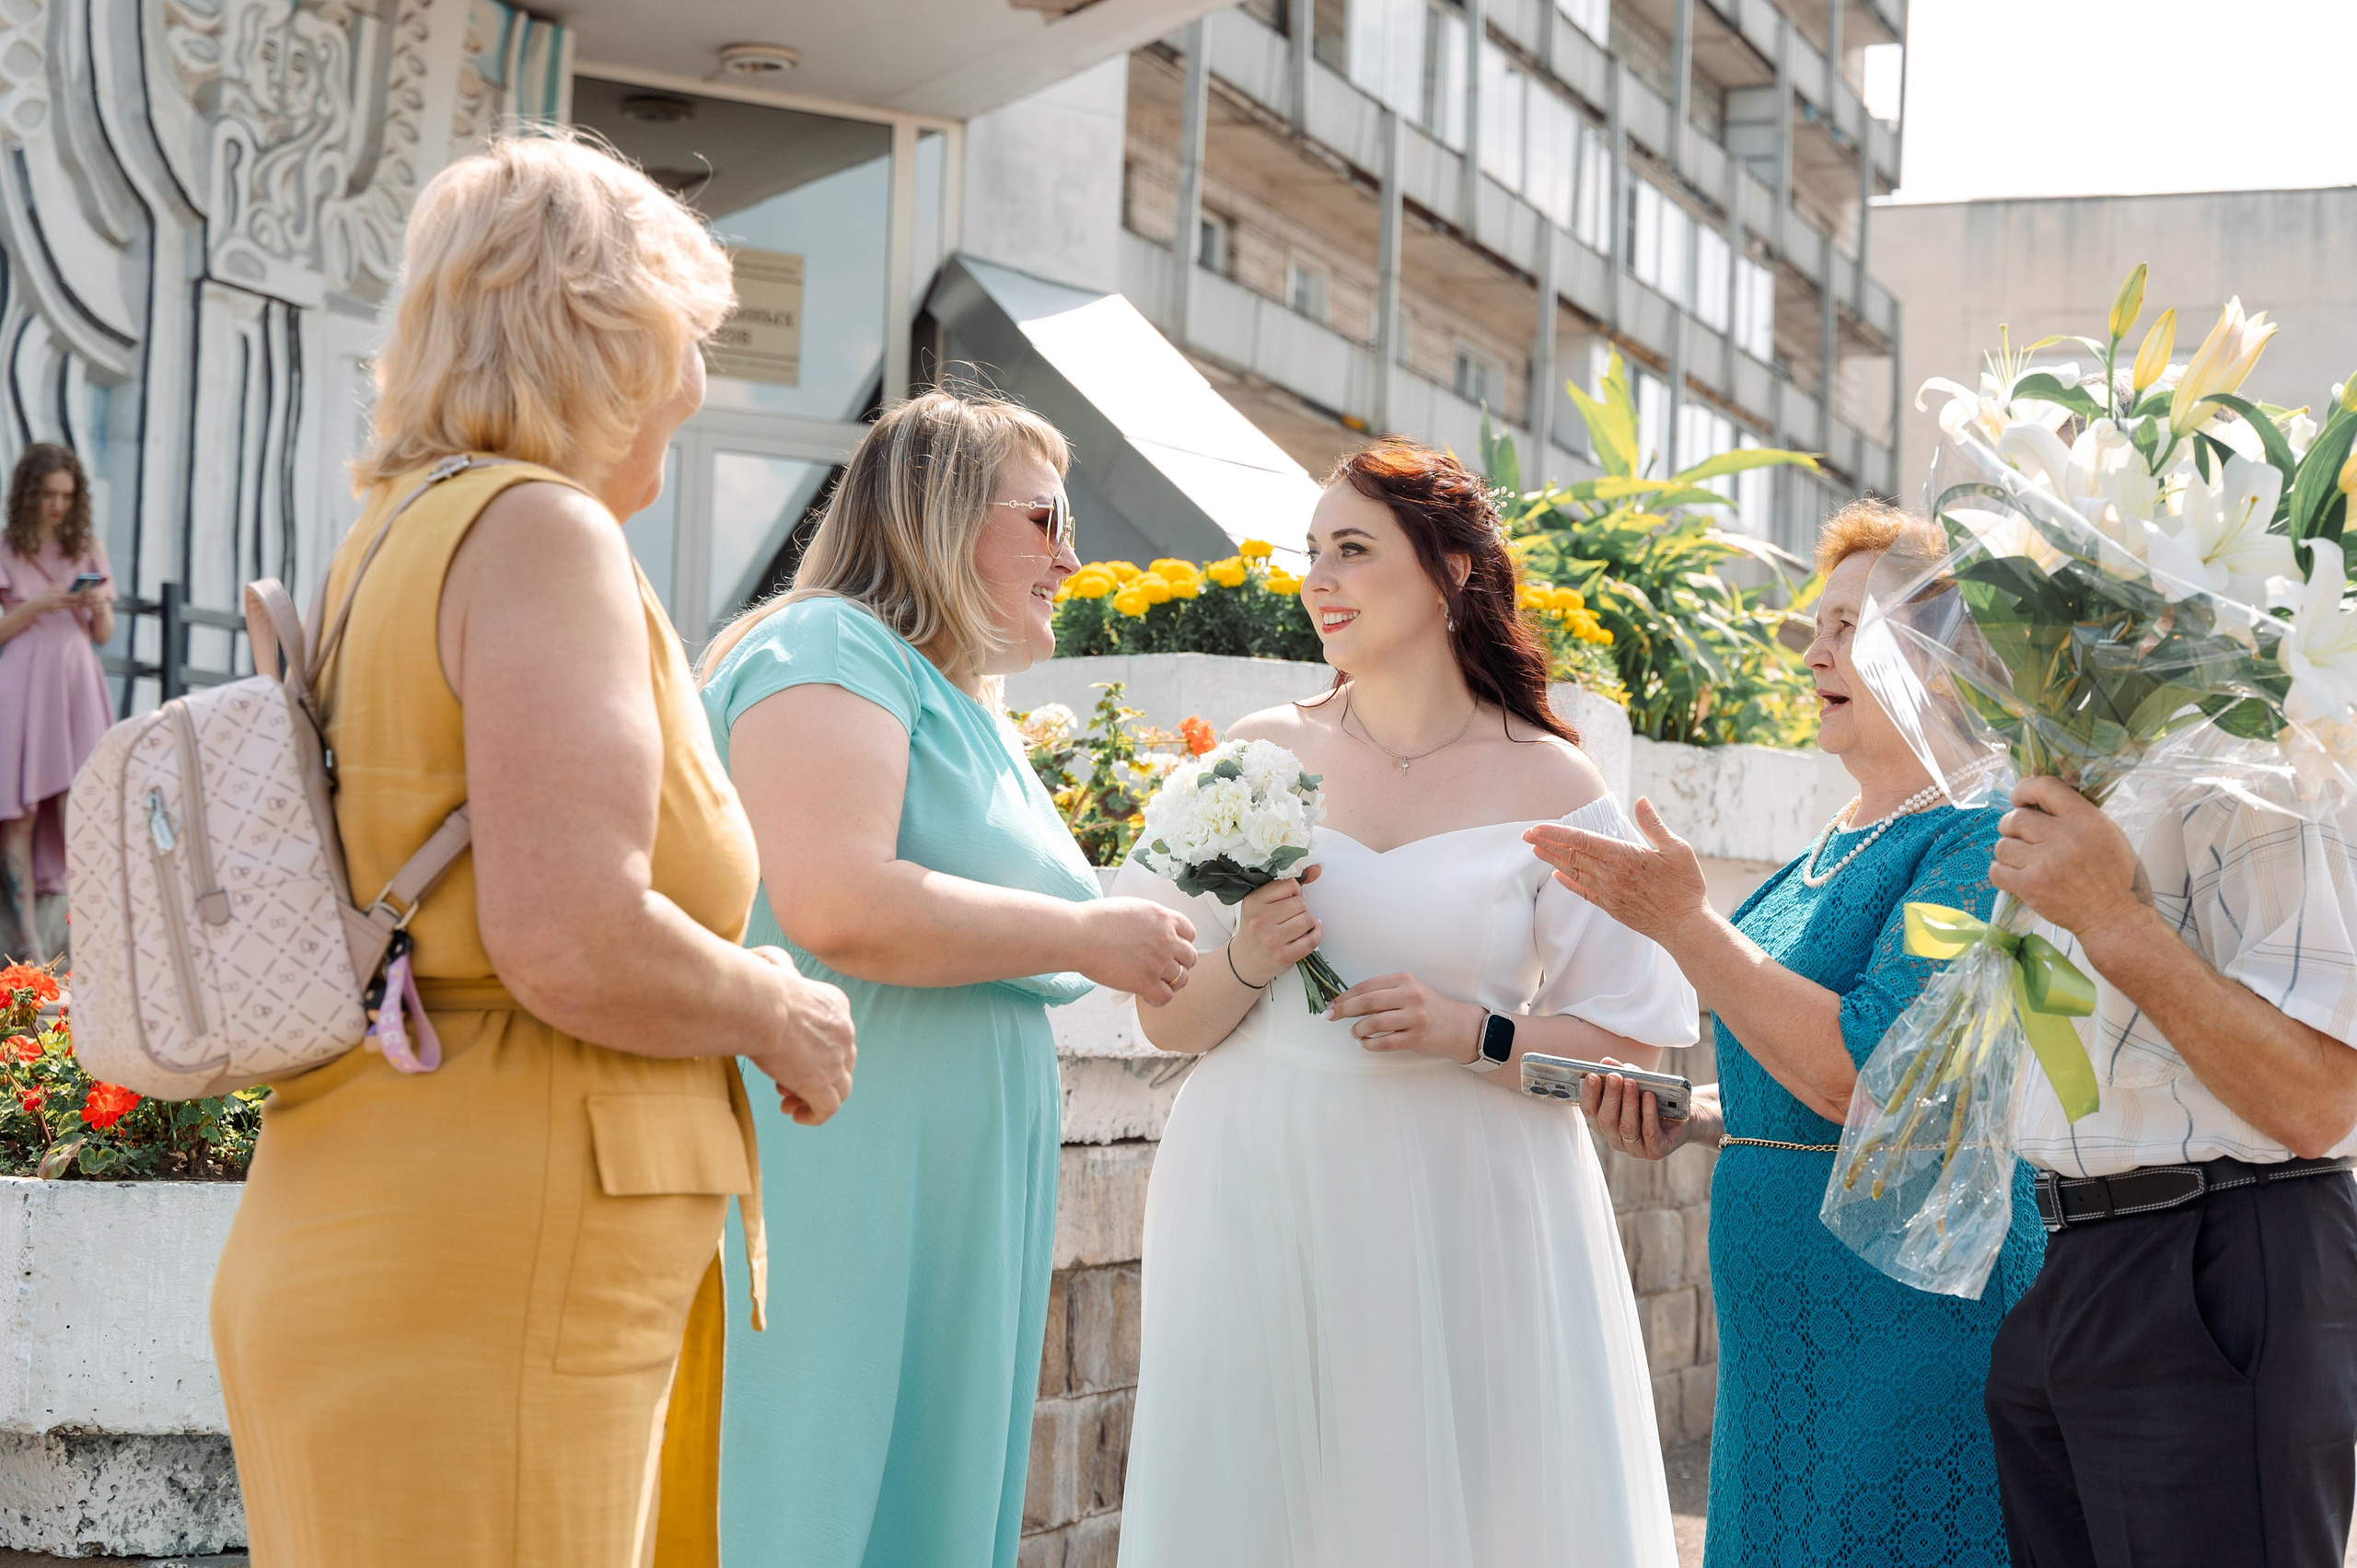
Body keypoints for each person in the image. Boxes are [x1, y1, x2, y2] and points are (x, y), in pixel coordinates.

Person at [208, 133, 856, 1568]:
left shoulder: (399, 536)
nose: (698, 379)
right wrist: (780, 1009)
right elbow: (569, 932)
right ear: (611, 334)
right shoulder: (541, 534)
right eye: (687, 335)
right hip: (499, 1260)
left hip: (391, 1224)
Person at [1112, 439, 1699, 1568]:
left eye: (1352, 550)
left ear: (1449, 572)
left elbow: (1628, 1051)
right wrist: (1248, 959)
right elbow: (1163, 1019)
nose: (1317, 580)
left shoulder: (1555, 785)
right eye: (1312, 552)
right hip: (1262, 1184)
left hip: (1467, 1200)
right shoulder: (1252, 758)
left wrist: (1471, 1032)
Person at [698, 388, 1200, 1568]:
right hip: (847, 1161)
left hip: (945, 1184)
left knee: (922, 1504)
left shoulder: (959, 701)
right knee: (816, 1494)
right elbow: (838, 899)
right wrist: (1081, 935)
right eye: (1045, 520)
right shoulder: (827, 647)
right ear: (938, 516)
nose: (1071, 559)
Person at [1528, 499, 2046, 1568]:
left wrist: (1683, 923)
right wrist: (1701, 1113)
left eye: (1847, 627)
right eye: (1816, 625)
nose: (1813, 651)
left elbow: (1867, 1073)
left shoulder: (1979, 838)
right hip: (1781, 1333)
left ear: (1943, 656)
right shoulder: (1835, 839)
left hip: (1902, 1320)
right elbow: (1801, 1074)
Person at [1981, 768, 2357, 1560]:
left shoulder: (2260, 769)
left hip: (2215, 1260)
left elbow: (2320, 1099)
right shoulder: (2069, 765)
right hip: (2074, 1263)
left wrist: (2112, 917)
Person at [0, 442, 113, 962]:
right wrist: (38, 605)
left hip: (75, 684)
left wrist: (97, 605)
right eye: (48, 494)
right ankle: (29, 942)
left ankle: (91, 930)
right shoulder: (7, 548)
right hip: (22, 683)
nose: (57, 505)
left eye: (67, 495)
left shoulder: (87, 546)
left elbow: (103, 635)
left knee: (82, 806)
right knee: (18, 814)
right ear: (29, 493)